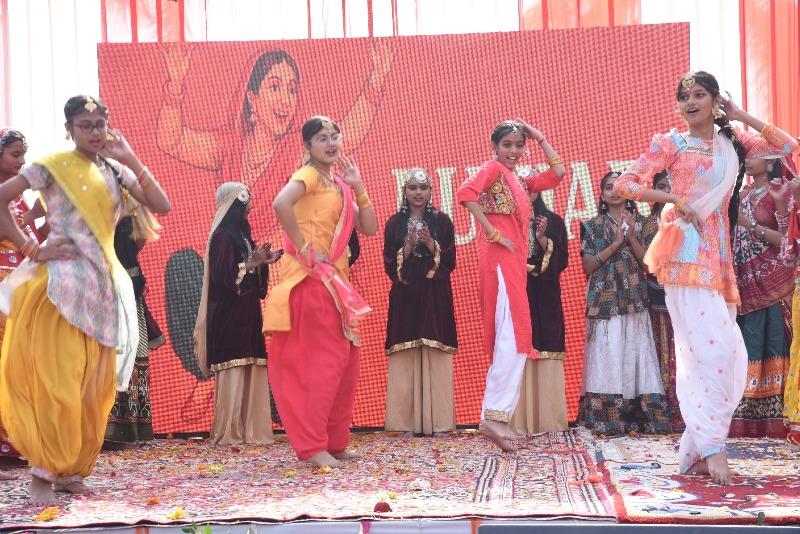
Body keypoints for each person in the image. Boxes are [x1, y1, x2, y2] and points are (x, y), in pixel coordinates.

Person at [613, 71, 797, 484]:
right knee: (715, 353)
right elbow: (625, 185)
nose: (691, 103)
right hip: (684, 256)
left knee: (722, 355)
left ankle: (696, 451)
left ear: (715, 101)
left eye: (700, 95)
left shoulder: (733, 142)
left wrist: (739, 114)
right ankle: (713, 448)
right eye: (685, 97)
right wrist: (674, 199)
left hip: (718, 261)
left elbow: (787, 146)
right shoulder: (672, 144)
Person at [0, 95, 171, 504]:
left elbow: (162, 205)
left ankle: (72, 471)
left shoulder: (115, 170)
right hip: (58, 288)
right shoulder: (51, 166)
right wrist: (30, 247)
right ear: (69, 129)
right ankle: (43, 473)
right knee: (58, 383)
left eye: (99, 124)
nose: (94, 132)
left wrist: (130, 157)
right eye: (85, 125)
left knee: (92, 389)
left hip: (101, 290)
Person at [265, 116, 377, 467]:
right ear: (307, 145)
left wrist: (359, 187)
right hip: (310, 281)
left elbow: (370, 228)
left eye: (334, 137)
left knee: (344, 366)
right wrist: (303, 247)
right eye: (322, 138)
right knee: (320, 367)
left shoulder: (338, 184)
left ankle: (334, 442)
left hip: (337, 285)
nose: (331, 144)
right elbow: (280, 203)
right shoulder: (309, 175)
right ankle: (313, 447)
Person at [456, 119, 566, 450]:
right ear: (495, 147)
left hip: (514, 263)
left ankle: (495, 416)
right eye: (507, 145)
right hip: (500, 260)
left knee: (516, 336)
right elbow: (465, 193)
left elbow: (557, 173)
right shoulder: (492, 169)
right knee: (511, 336)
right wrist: (492, 232)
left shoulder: (517, 178)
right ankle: (493, 416)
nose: (514, 151)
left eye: (519, 145)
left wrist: (539, 136)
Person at [578, 171, 670, 435]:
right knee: (608, 352)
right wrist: (616, 243)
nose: (615, 191)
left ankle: (638, 415)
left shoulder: (644, 224)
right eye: (609, 187)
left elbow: (648, 265)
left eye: (620, 187)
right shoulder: (593, 226)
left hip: (634, 299)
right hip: (604, 300)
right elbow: (588, 265)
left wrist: (630, 238)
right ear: (602, 195)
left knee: (634, 353)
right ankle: (607, 417)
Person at [194, 182, 281, 445]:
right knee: (234, 367)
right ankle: (229, 432)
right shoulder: (222, 236)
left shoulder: (241, 235)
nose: (250, 208)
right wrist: (253, 262)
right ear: (234, 205)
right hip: (229, 316)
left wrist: (262, 263)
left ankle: (252, 430)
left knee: (252, 365)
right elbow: (223, 276)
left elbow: (249, 271)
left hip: (248, 314)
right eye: (246, 203)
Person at [383, 168, 457, 436]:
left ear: (430, 191)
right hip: (406, 295)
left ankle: (437, 422)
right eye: (413, 188)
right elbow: (389, 264)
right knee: (406, 352)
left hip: (435, 296)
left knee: (435, 349)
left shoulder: (443, 221)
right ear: (404, 191)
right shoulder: (394, 223)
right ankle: (404, 422)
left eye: (423, 188)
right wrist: (408, 247)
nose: (418, 193)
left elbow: (450, 261)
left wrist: (430, 244)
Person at [731, 153, 795, 437]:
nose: (747, 160)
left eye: (754, 155)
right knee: (746, 343)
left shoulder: (779, 191)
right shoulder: (740, 194)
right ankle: (744, 415)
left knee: (771, 341)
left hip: (773, 283)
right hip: (744, 284)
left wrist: (750, 225)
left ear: (770, 162)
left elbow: (786, 239)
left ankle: (774, 416)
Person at [105, 197, 166, 444]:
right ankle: (110, 428)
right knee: (115, 357)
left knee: (128, 356)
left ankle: (122, 429)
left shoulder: (129, 218)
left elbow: (140, 238)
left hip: (124, 296)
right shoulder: (104, 214)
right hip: (108, 297)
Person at [510, 188, 569, 435]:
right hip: (517, 291)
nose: (526, 191)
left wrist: (543, 240)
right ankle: (519, 420)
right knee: (517, 345)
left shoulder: (554, 221)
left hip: (545, 295)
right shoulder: (506, 221)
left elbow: (561, 261)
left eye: (531, 187)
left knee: (547, 342)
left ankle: (548, 420)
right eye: (521, 186)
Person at [643, 170, 684, 430]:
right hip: (656, 296)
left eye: (671, 186)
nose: (666, 191)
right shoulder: (648, 224)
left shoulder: (687, 217)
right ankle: (662, 412)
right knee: (659, 351)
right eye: (661, 186)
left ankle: (685, 409)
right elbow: (646, 263)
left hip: (683, 295)